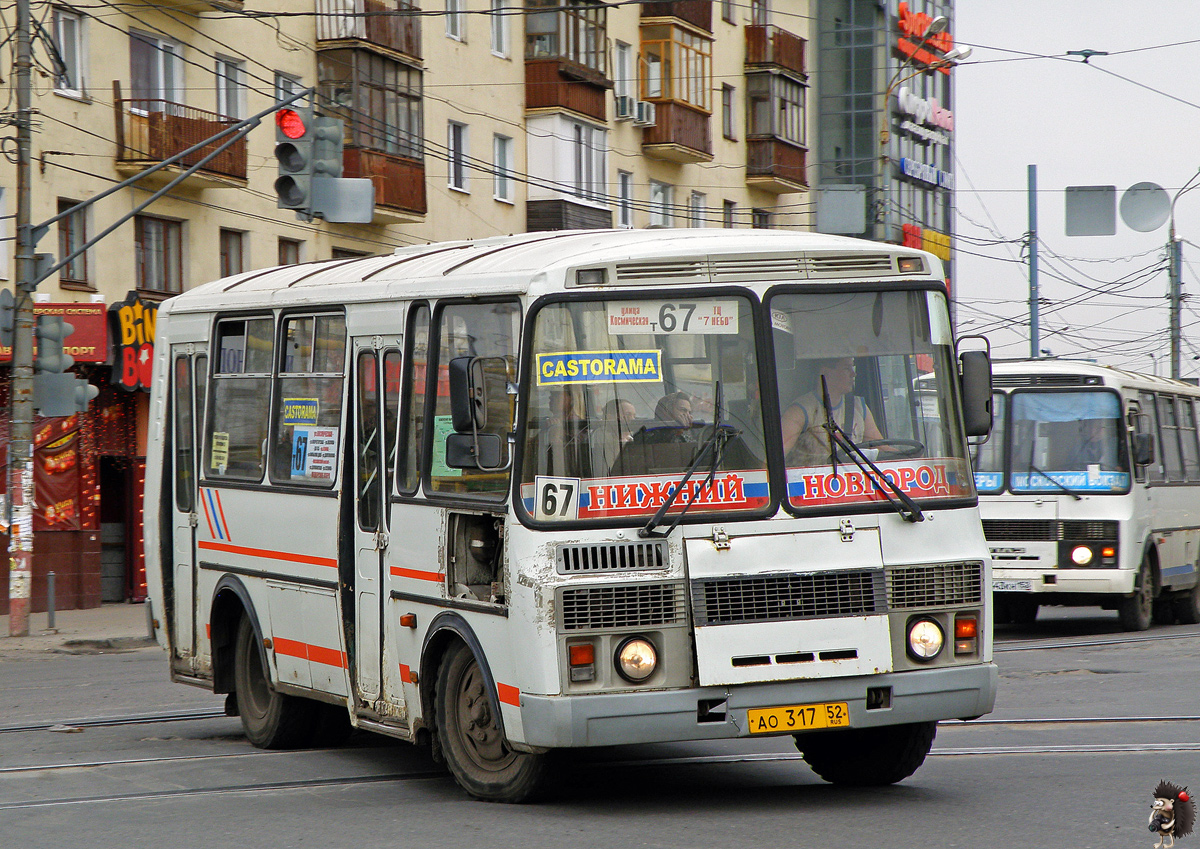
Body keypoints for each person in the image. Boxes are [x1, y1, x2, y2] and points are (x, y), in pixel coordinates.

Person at [781, 357, 882, 466]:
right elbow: (773, 459)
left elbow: (881, 447)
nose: (853, 374)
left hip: (851, 479)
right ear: (825, 373)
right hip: (813, 480)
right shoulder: (801, 410)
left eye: (852, 367)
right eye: (846, 369)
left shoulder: (858, 407)